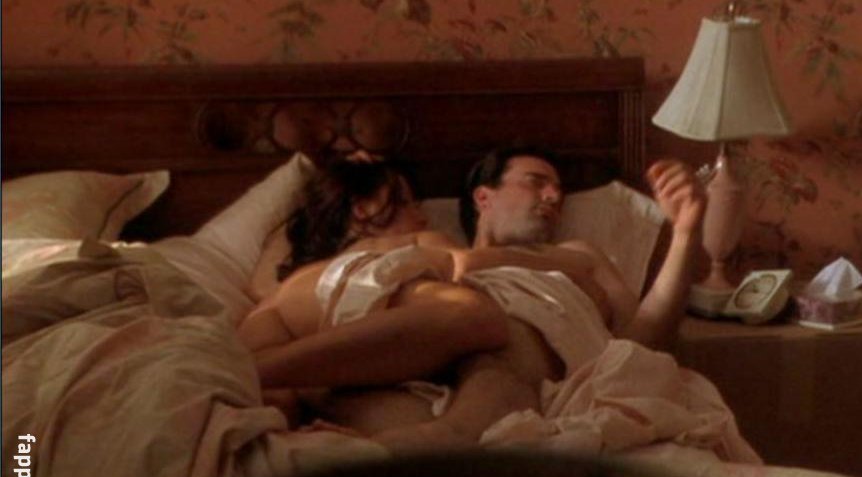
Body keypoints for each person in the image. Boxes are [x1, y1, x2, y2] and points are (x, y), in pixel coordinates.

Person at [245, 146, 705, 452]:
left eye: (560, 191)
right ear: (484, 197)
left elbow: (643, 346)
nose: (553, 196)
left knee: (498, 379)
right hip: (416, 347)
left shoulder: (580, 256)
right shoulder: (424, 252)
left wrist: (686, 234)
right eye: (535, 181)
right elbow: (281, 285)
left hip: (496, 371)